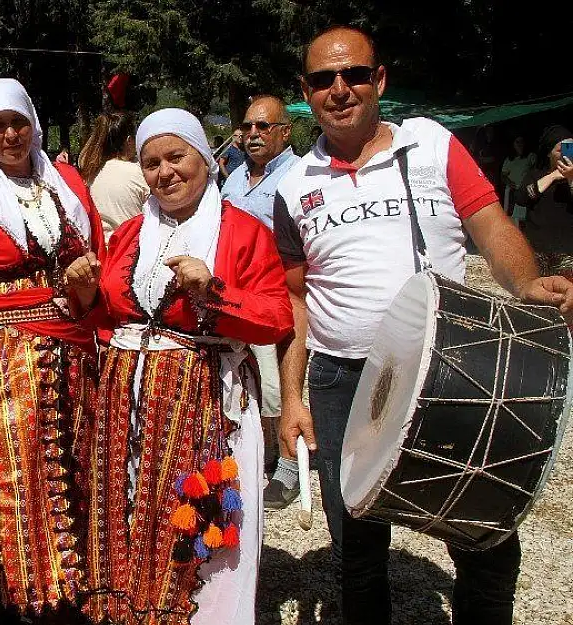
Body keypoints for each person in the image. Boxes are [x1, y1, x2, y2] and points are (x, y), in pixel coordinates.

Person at [273, 25, 573, 625]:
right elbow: (296, 299)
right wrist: (290, 399)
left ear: (378, 80)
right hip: (343, 379)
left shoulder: (432, 143)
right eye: (323, 80)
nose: (340, 89)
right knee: (356, 545)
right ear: (306, 92)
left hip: (450, 361)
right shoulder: (289, 184)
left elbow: (487, 221)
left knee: (481, 531)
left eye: (355, 74)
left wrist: (523, 282)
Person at [68, 108, 292, 625]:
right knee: (127, 513)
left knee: (198, 528)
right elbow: (108, 316)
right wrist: (82, 290)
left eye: (176, 157)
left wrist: (212, 292)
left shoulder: (241, 232)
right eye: (151, 163)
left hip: (207, 404)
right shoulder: (128, 235)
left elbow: (277, 317)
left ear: (205, 160)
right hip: (128, 405)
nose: (164, 172)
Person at [0, 77, 104, 621]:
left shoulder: (69, 185)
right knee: (18, 475)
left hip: (76, 351)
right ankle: (28, 597)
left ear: (33, 123)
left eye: (18, 122)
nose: (10, 135)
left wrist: (98, 331)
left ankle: (81, 588)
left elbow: (97, 258)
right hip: (8, 359)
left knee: (79, 467)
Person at [221, 95, 302, 510]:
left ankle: (290, 470)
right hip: (236, 300)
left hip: (279, 298)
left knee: (279, 387)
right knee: (247, 383)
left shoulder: (297, 177)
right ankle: (262, 454)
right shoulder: (234, 179)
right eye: (248, 127)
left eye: (263, 127)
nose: (253, 134)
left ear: (285, 131)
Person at [77, 110, 148, 236]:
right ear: (129, 140)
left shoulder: (89, 172)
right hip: (131, 248)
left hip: (100, 249)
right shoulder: (140, 173)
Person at [501, 134, 536, 227]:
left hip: (526, 187)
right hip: (513, 188)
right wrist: (509, 182)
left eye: (521, 142)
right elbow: (503, 175)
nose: (520, 144)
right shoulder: (509, 159)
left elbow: (535, 171)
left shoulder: (531, 156)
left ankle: (522, 222)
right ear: (513, 144)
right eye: (517, 142)